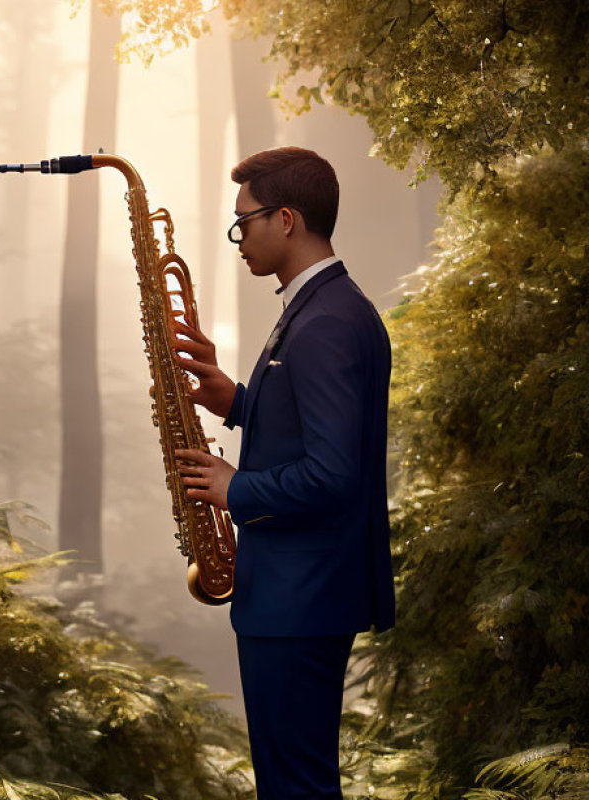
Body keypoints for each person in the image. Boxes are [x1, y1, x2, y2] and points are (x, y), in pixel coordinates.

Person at [173, 146, 395, 800]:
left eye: (245, 222)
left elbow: (332, 473)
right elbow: (317, 426)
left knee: (295, 786)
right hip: (301, 592)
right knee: (291, 781)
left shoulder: (324, 320)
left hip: (301, 597)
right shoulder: (323, 306)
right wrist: (236, 401)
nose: (239, 238)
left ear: (287, 218)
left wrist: (231, 486)